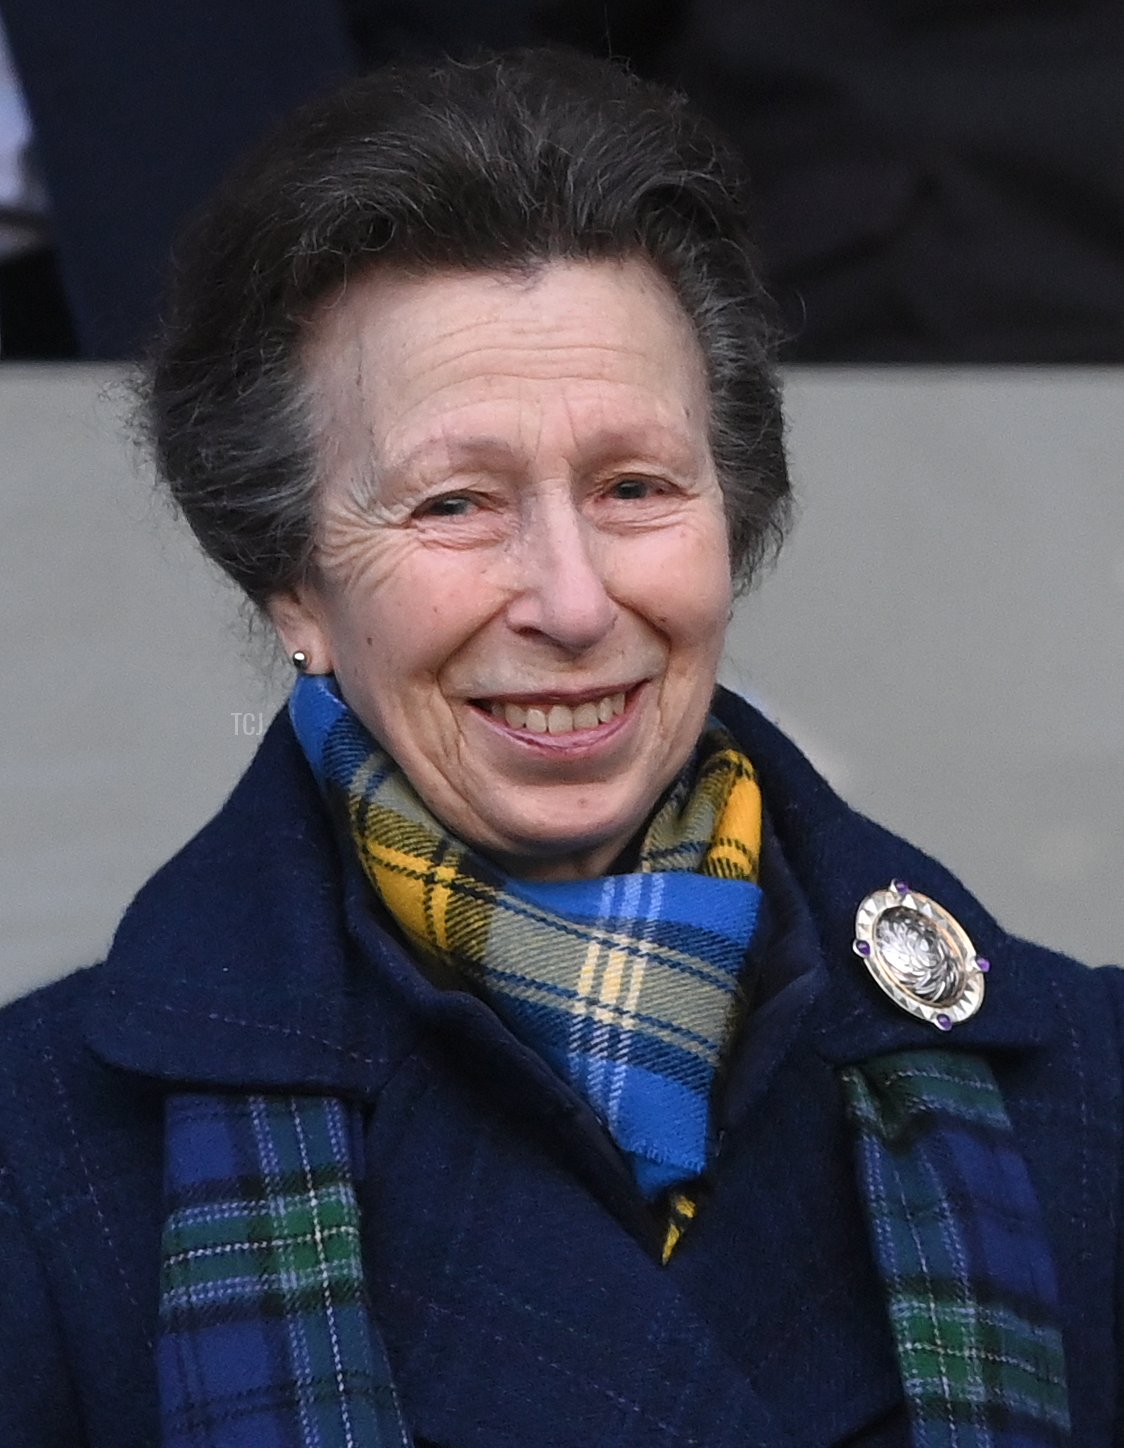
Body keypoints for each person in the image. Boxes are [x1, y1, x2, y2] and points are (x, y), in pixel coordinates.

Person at [0, 48, 1120, 1448]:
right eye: (455, 504)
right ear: (293, 586)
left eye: (635, 487)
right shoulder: (47, 1161)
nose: (575, 602)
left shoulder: (1082, 1087)